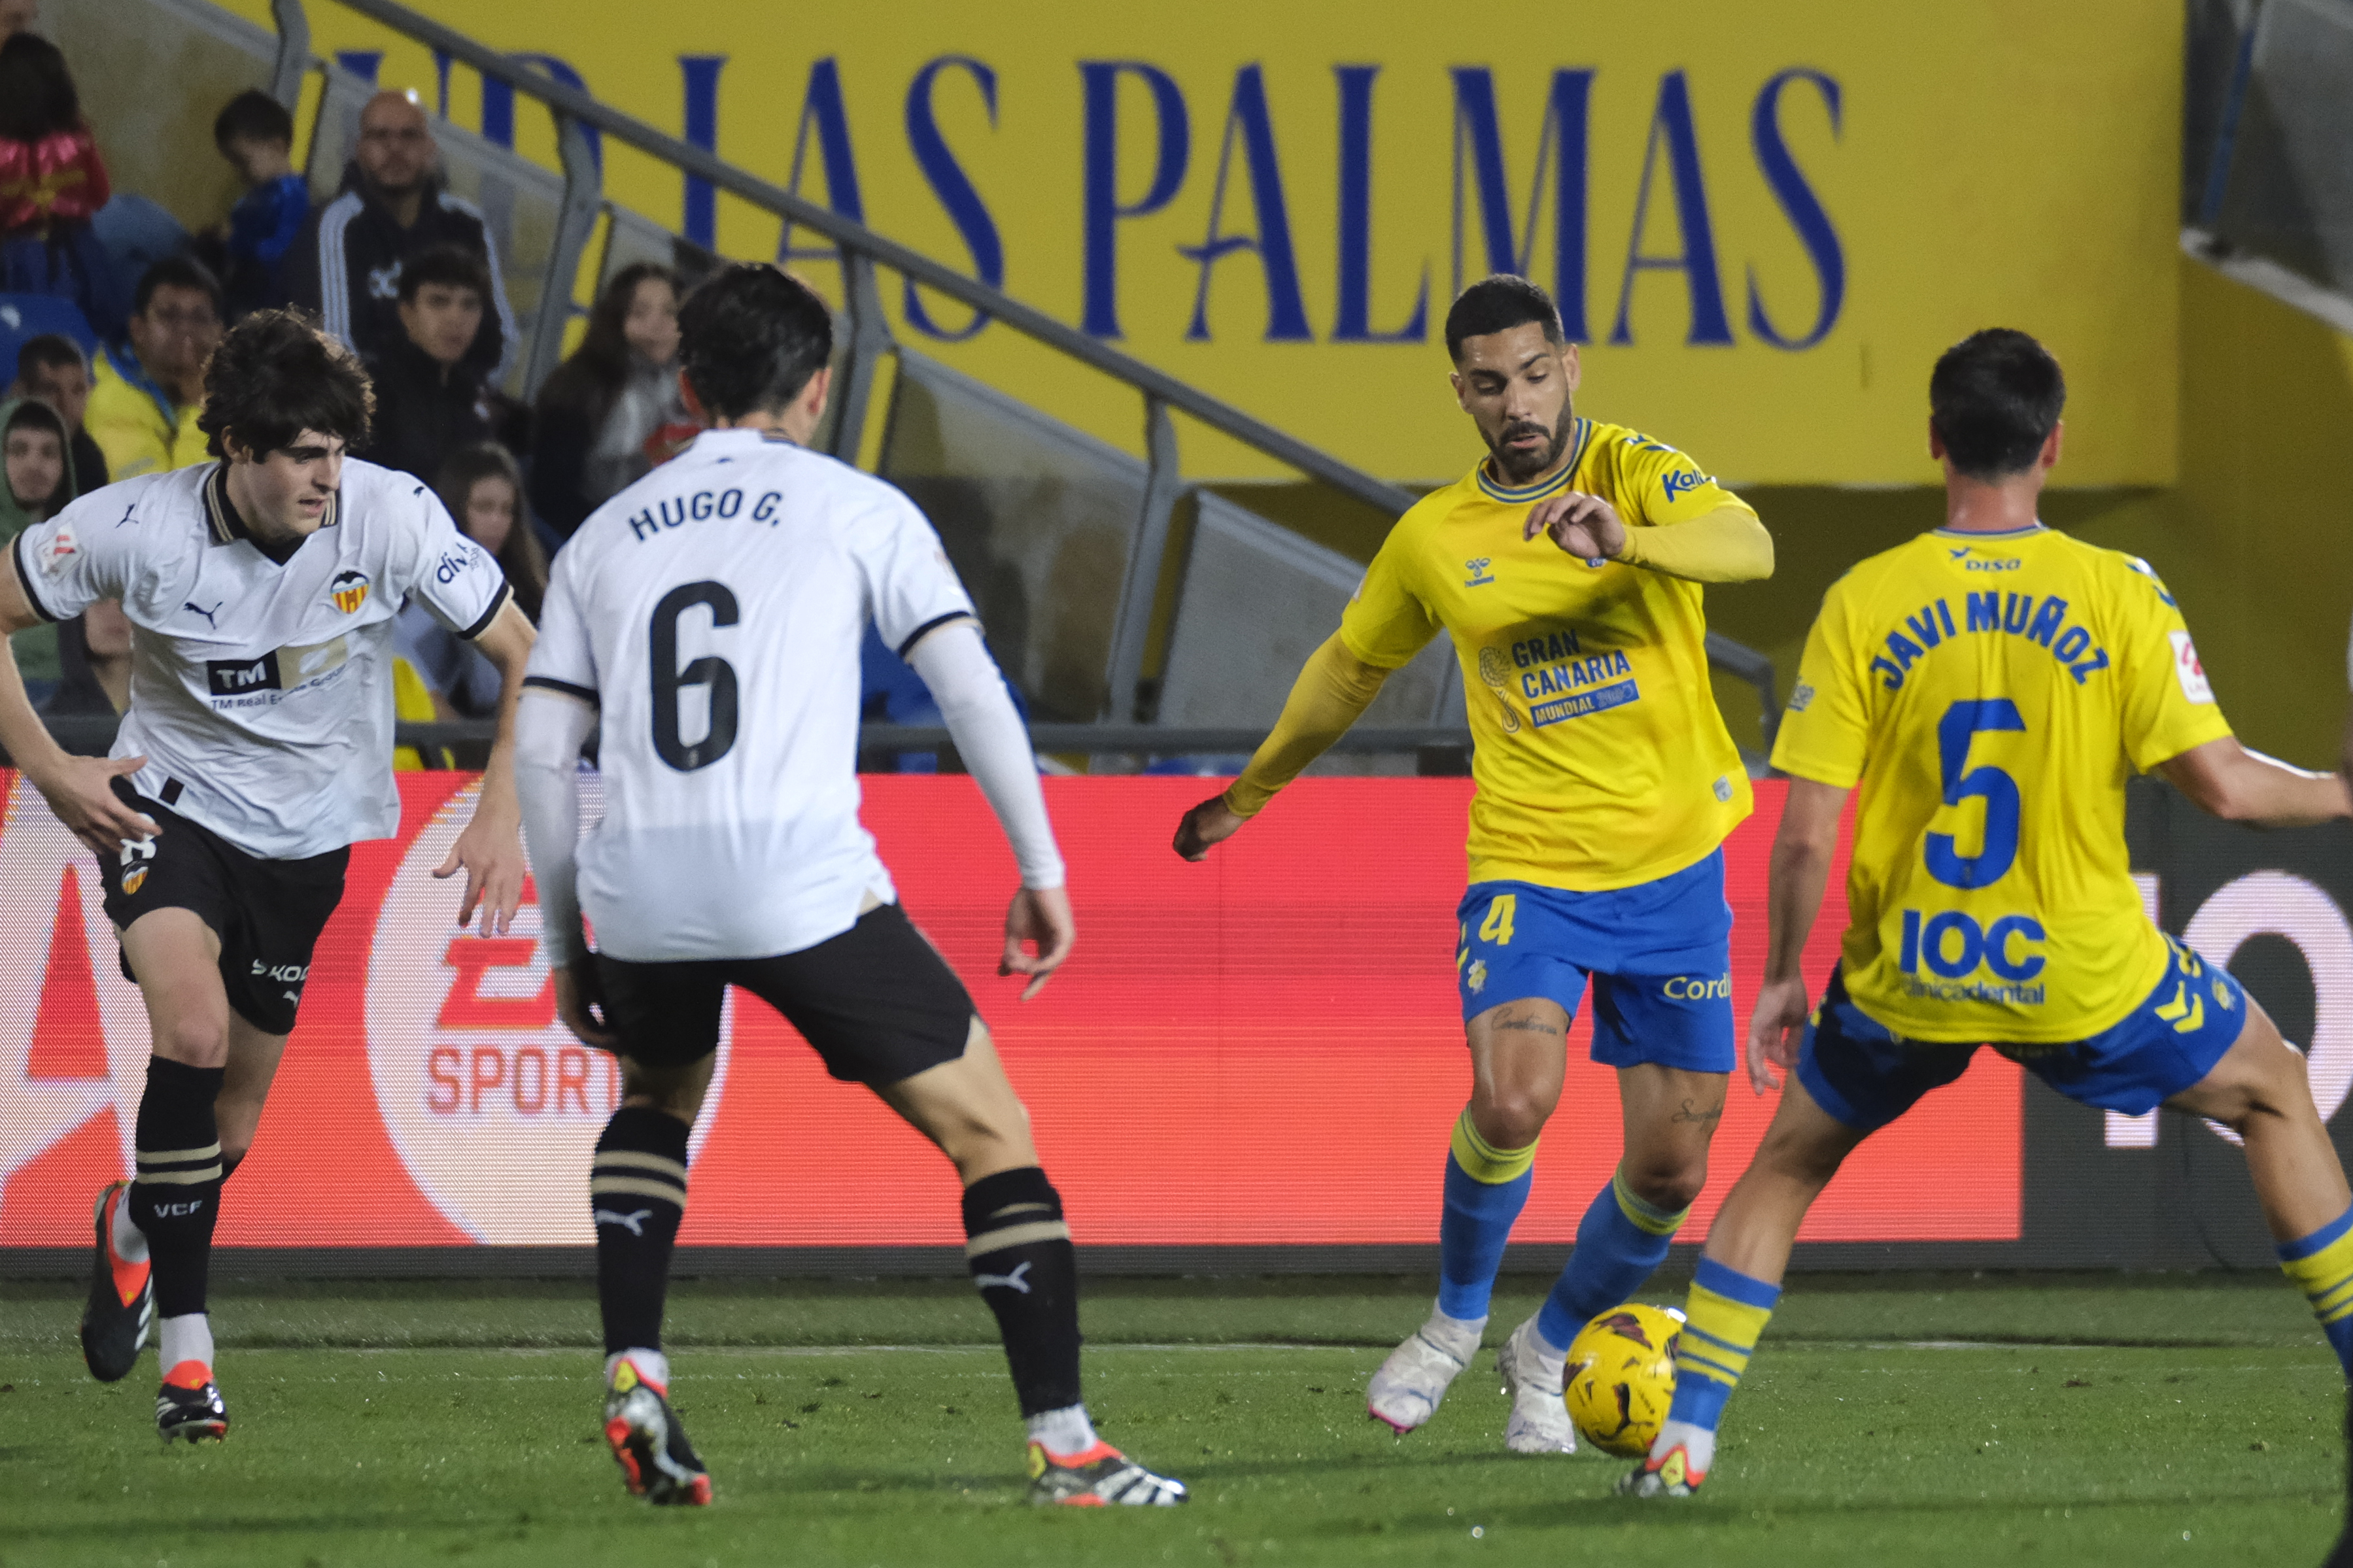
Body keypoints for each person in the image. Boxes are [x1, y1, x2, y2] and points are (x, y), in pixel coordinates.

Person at [1621, 329, 2353, 1499]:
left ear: (1932, 440)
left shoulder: (1864, 600)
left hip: (1907, 973)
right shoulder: (2118, 592)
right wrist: (2338, 792)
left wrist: (1782, 973)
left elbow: (1806, 831)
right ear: (2050, 444)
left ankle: (1682, 1442)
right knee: (2270, 1086)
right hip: (2080, 971)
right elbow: (2220, 784)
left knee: (1783, 1169)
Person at [515, 262, 1186, 1509]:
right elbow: (970, 687)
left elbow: (547, 749)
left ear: (688, 381)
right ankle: (1067, 1445)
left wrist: (569, 945)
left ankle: (636, 1364)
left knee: (658, 1094)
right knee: (990, 1132)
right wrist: (1039, 868)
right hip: (799, 879)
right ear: (818, 390)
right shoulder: (857, 508)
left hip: (642, 885)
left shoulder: (604, 531)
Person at [1173, 274, 1776, 1455]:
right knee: (1510, 1096)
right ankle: (1450, 1324)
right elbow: (1349, 667)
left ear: (1570, 367)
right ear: (1460, 392)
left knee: (1668, 1168)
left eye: (1536, 374)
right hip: (1529, 863)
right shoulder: (1435, 536)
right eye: (1490, 384)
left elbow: (1746, 542)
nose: (1519, 402)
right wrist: (1250, 792)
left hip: (1672, 877)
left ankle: (1543, 1349)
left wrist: (1634, 541)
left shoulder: (1636, 469)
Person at [0, 308, 536, 1444]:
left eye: (338, 449)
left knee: (224, 1132)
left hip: (310, 845)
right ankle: (189, 1363)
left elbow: (525, 652)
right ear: (236, 444)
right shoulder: (134, 527)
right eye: (302, 451)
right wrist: (49, 768)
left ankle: (135, 1226)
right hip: (166, 809)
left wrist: (501, 807)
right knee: (189, 1034)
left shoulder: (389, 514)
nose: (326, 475)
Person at [286, 90, 514, 386]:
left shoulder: (467, 224)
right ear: (359, 149)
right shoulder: (337, 224)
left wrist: (459, 399)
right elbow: (333, 346)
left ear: (430, 148)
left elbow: (501, 340)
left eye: (409, 136)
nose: (395, 148)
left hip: (452, 410)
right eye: (380, 136)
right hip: (363, 414)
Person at [527, 263, 688, 542]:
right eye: (640, 312)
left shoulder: (695, 394)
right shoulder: (579, 387)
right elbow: (552, 494)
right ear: (615, 318)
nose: (658, 324)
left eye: (670, 312)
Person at [398, 443, 545, 721]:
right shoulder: (431, 578)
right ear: (454, 507)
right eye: (484, 507)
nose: (497, 522)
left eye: (507, 510)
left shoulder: (516, 578)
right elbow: (488, 692)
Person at [0, 31, 121, 341]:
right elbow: (101, 194)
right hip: (79, 253)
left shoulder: (4, 150)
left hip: (17, 259)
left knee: (25, 336)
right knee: (85, 332)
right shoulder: (78, 136)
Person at [360, 244, 501, 486]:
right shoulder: (372, 394)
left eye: (469, 305)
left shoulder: (475, 402)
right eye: (438, 302)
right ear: (406, 313)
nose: (456, 318)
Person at [88, 257, 221, 481]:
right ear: (138, 329)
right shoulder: (113, 403)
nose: (186, 329)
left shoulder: (233, 390)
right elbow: (160, 505)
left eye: (200, 318)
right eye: (169, 316)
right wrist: (199, 410)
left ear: (220, 332)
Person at [0, 393, 73, 700]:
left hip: (74, 698)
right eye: (19, 451)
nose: (34, 465)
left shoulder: (77, 542)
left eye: (48, 453)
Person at [211, 90, 308, 320]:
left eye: (243, 162)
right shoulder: (257, 196)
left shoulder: (292, 196)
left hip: (267, 302)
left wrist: (238, 242)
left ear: (277, 147)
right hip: (240, 294)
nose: (239, 172)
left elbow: (284, 249)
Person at [16, 333, 109, 488]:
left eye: (78, 391)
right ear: (23, 392)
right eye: (51, 390)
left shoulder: (90, 462)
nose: (65, 406)